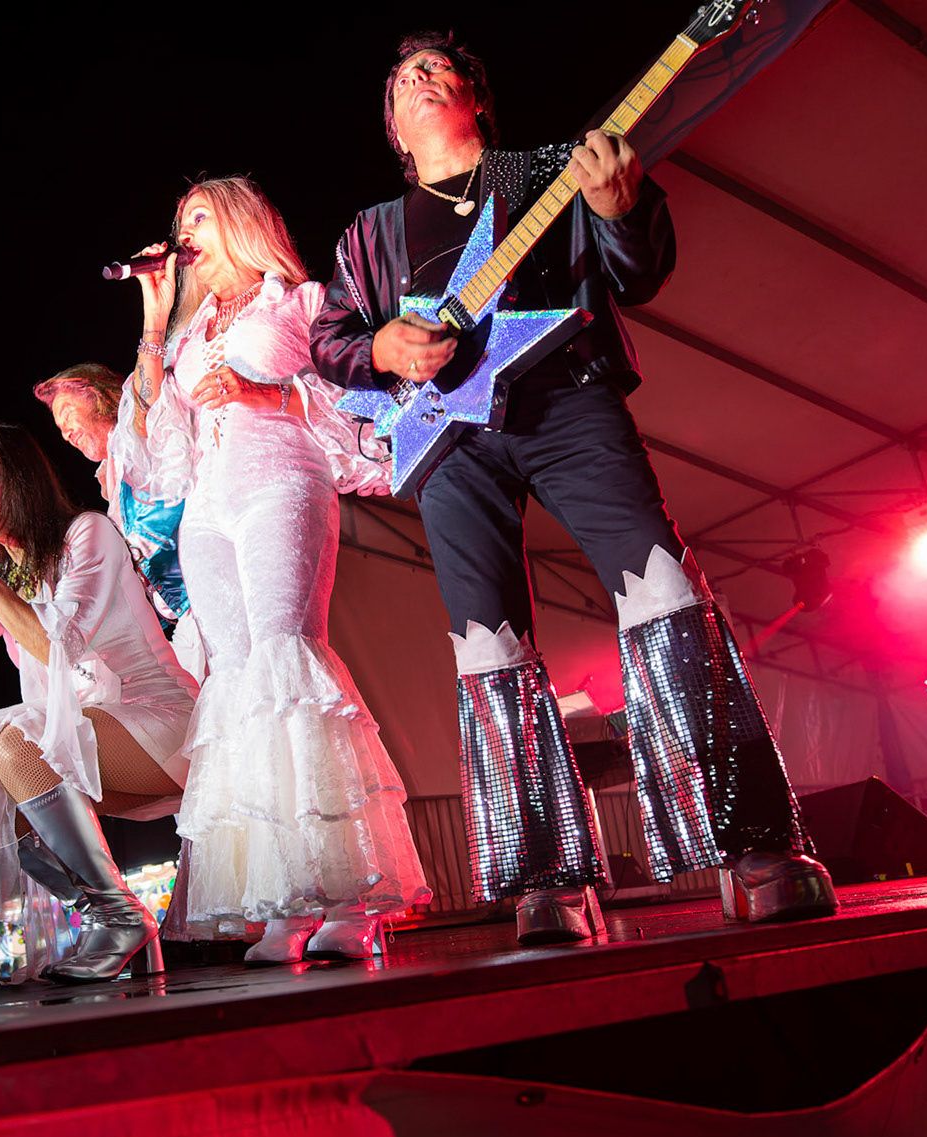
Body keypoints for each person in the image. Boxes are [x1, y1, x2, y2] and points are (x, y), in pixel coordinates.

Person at [310, 34, 837, 943]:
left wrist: (620, 211)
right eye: (402, 82)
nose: (420, 84)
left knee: (664, 591)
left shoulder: (555, 167)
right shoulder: (368, 234)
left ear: (477, 96)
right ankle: (546, 879)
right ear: (392, 127)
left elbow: (640, 275)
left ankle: (755, 847)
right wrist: (382, 349)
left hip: (568, 401)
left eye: (437, 72)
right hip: (446, 446)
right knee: (487, 650)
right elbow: (331, 343)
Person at [115, 176, 430, 963]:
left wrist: (265, 393)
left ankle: (352, 899)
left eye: (199, 214)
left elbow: (357, 400)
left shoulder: (298, 301)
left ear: (240, 222)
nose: (185, 230)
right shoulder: (185, 338)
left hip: (282, 484)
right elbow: (159, 456)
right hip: (209, 513)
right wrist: (154, 314)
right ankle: (288, 899)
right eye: (178, 217)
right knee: (244, 684)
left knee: (289, 661)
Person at [0, 422, 200, 982]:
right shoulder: (4, 572)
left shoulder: (87, 534)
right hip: (79, 742)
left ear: (14, 480)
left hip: (160, 725)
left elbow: (57, 644)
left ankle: (119, 918)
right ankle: (107, 912)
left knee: (15, 745)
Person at [34, 363, 205, 681]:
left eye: (68, 414)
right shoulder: (110, 473)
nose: (65, 433)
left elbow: (148, 385)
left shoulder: (137, 429)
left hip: (204, 589)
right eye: (59, 428)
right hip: (182, 615)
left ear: (97, 396)